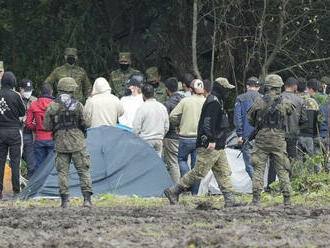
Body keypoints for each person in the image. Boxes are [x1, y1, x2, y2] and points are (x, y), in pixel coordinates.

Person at [164, 77, 246, 207]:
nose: (228, 92)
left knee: (223, 171)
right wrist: (211, 140)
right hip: (210, 144)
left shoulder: (217, 101)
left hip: (218, 145)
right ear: (221, 88)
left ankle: (230, 199)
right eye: (226, 89)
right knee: (199, 172)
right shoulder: (213, 102)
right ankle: (174, 190)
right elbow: (208, 124)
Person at [43, 77, 93, 208]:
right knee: (83, 170)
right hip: (78, 142)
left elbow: (46, 126)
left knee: (62, 173)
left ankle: (65, 201)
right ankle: (87, 200)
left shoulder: (52, 106)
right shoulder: (78, 105)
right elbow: (87, 123)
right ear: (72, 89)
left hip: (60, 143)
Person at [248, 74, 295, 206]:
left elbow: (250, 119)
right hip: (278, 139)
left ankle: (256, 199)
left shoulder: (259, 101)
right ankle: (287, 199)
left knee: (258, 168)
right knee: (282, 169)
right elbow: (290, 112)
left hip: (262, 139)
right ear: (279, 87)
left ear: (267, 87)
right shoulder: (285, 102)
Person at [170, 79, 205, 195]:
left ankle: (187, 182)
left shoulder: (185, 101)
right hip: (200, 138)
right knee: (197, 168)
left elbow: (173, 115)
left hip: (185, 137)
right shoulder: (206, 101)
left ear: (191, 89)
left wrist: (178, 125)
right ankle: (195, 194)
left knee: (181, 160)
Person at [0, 72, 26, 199]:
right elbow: (22, 111)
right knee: (15, 162)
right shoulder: (15, 95)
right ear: (13, 82)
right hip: (14, 131)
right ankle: (16, 191)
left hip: (0, 131)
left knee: (0, 161)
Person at [234, 76, 261, 179]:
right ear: (258, 87)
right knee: (260, 164)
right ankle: (260, 186)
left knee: (249, 164)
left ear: (247, 86)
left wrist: (239, 134)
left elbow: (238, 118)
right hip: (261, 136)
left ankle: (257, 186)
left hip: (247, 135)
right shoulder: (264, 98)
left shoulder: (240, 98)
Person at [132, 84, 169, 157]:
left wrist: (135, 138)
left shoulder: (142, 108)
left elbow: (136, 127)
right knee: (157, 162)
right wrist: (161, 135)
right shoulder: (162, 107)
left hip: (146, 140)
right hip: (159, 140)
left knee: (146, 163)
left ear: (143, 95)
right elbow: (166, 126)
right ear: (154, 93)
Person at [25, 83, 55, 173]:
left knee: (39, 167)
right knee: (52, 166)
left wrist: (37, 127)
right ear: (52, 92)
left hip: (39, 139)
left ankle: (39, 186)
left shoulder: (34, 105)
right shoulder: (55, 104)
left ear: (40, 92)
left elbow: (28, 123)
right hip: (52, 138)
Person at [163, 77, 185, 183]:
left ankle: (176, 188)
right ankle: (187, 185)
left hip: (171, 137)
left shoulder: (167, 103)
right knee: (185, 161)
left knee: (173, 163)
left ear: (167, 89)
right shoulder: (185, 100)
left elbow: (166, 122)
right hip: (186, 136)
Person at [296, 78, 320, 173]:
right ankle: (309, 182)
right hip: (309, 135)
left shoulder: (294, 100)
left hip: (297, 134)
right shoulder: (312, 102)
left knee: (298, 161)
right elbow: (317, 120)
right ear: (305, 87)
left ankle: (298, 182)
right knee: (310, 161)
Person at [307, 79, 328, 171]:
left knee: (317, 161)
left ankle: (318, 182)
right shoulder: (327, 98)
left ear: (311, 89)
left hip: (316, 134)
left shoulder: (311, 101)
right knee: (327, 161)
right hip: (327, 134)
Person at [19, 79, 37, 179]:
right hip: (18, 133)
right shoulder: (15, 99)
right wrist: (23, 119)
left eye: (29, 90)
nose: (28, 92)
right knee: (16, 162)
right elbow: (10, 114)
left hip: (30, 134)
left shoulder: (35, 100)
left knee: (31, 163)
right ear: (20, 89)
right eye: (26, 90)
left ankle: (30, 185)